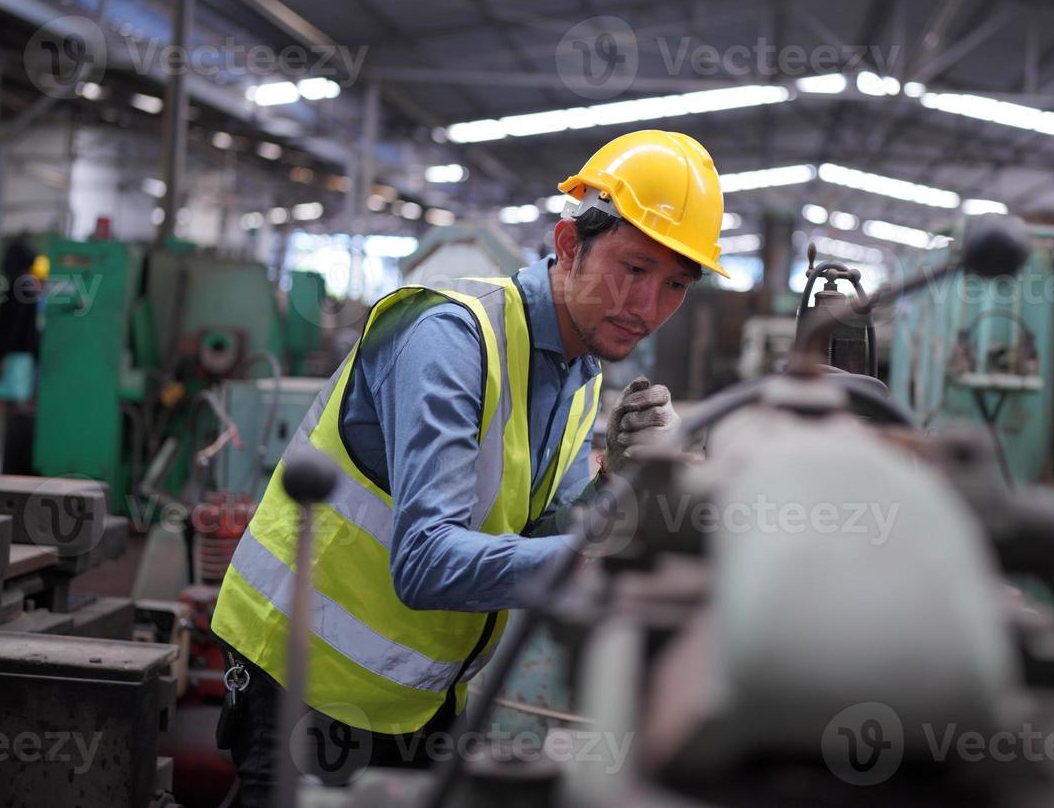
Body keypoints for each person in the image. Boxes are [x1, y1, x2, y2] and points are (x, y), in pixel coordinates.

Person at [210, 129, 730, 805]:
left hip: (422, 696)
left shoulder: (580, 375)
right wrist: (609, 551)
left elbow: (545, 528)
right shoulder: (452, 339)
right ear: (569, 245)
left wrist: (618, 485)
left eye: (675, 285)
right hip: (304, 679)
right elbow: (426, 563)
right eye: (633, 270)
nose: (648, 308)